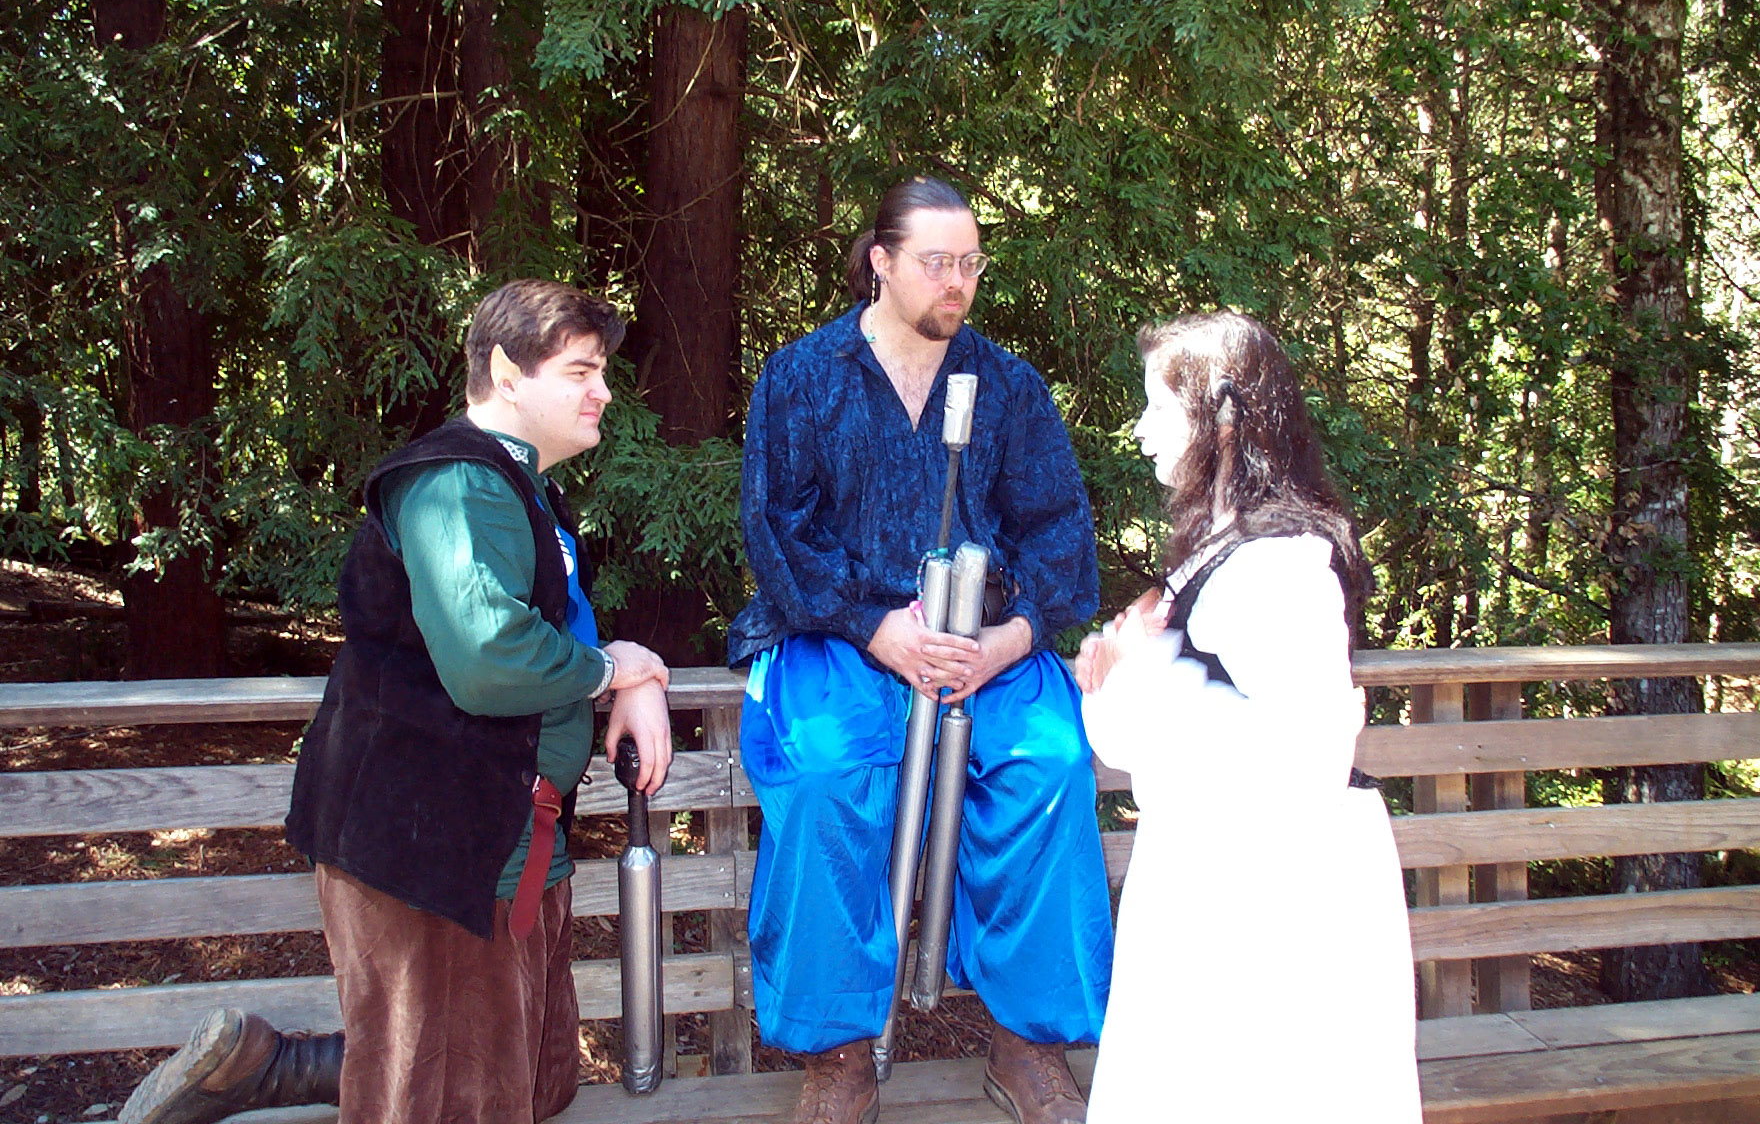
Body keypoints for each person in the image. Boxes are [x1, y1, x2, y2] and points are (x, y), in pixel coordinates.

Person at [119, 279, 674, 1124]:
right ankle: (290, 1073)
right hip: (435, 847)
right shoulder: (457, 483)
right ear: (507, 373)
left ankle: (279, 1070)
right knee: (458, 1095)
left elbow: (551, 634)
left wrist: (631, 679)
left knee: (530, 1081)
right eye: (581, 371)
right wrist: (607, 674)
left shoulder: (523, 490)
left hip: (508, 842)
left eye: (602, 372)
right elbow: (488, 658)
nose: (603, 391)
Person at [729, 177, 1113, 1124]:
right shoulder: (803, 377)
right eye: (936, 262)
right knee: (826, 776)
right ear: (882, 262)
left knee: (1050, 765)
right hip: (839, 636)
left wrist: (1005, 641)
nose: (957, 281)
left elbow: (1060, 535)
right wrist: (875, 627)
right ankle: (840, 1054)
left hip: (986, 647)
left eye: (970, 263)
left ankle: (1026, 1046)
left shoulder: (1010, 387)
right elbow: (776, 531)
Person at [1073, 311, 1422, 1122]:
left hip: (1271, 914)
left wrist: (1135, 677)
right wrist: (1120, 676)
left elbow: (1305, 760)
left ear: (1224, 419)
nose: (1142, 429)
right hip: (1211, 880)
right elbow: (1164, 721)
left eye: (1161, 407)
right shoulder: (1223, 554)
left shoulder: (1279, 566)